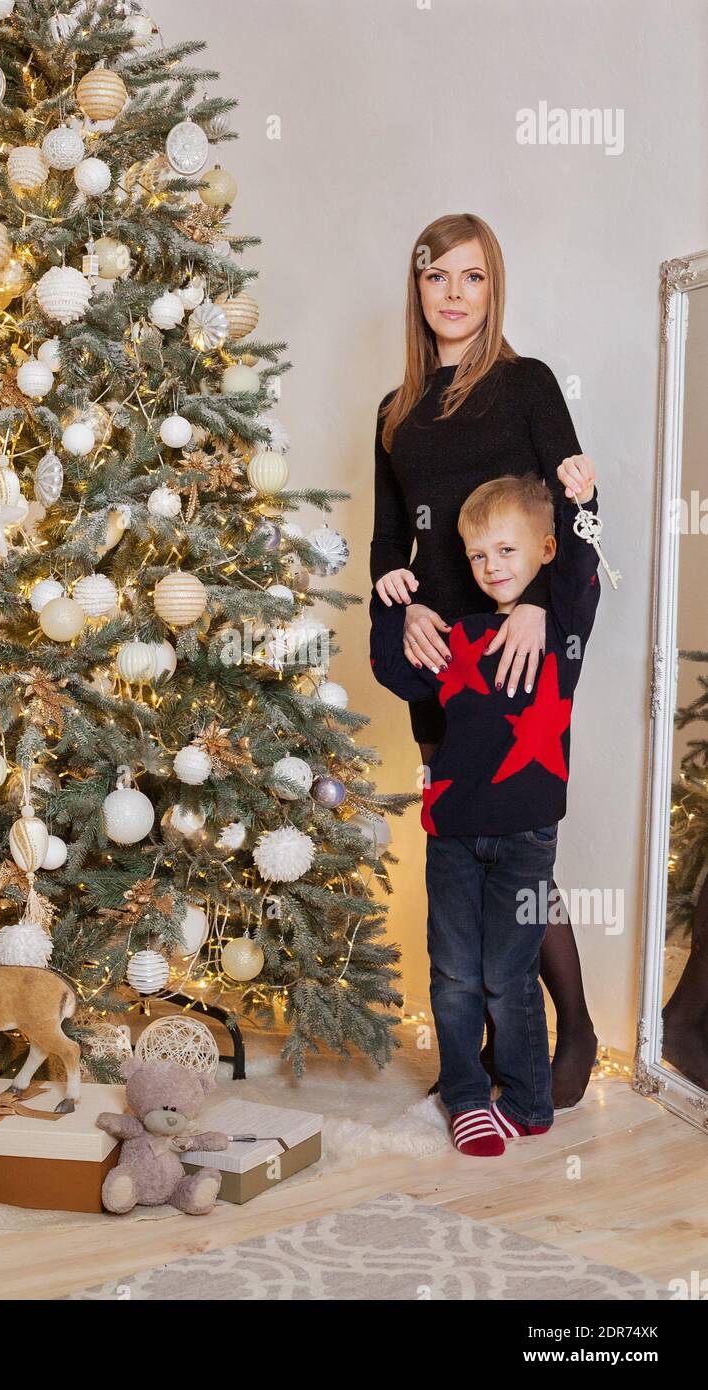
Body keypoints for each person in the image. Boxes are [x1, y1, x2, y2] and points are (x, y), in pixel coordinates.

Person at [372, 211, 598, 1108]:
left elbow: (576, 511)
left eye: (472, 278)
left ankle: (571, 1024)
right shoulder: (395, 412)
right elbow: (390, 544)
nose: (454, 295)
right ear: (418, 289)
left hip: (517, 643)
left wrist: (540, 607)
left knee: (519, 841)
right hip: (441, 655)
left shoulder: (528, 384)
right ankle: (479, 1060)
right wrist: (407, 608)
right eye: (438, 278)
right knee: (464, 842)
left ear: (493, 287)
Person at [370, 462, 601, 1154]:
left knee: (509, 977)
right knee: (455, 977)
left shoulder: (559, 627)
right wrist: (393, 603)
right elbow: (391, 667)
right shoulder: (459, 637)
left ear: (543, 551)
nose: (491, 566)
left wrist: (582, 502)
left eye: (507, 551)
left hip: (527, 837)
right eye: (478, 555)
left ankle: (530, 1103)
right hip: (452, 840)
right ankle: (468, 1096)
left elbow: (583, 567)